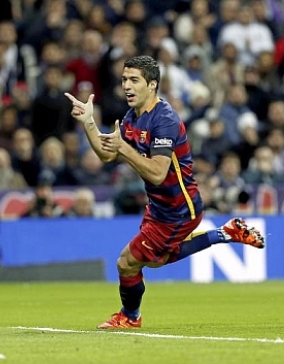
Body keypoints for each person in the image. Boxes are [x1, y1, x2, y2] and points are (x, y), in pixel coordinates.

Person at [64, 55, 265, 329]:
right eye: (124, 79)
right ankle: (224, 233)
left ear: (152, 85)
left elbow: (158, 173)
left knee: (127, 263)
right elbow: (107, 155)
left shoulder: (165, 119)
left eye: (134, 80)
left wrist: (124, 148)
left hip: (179, 209)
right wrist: (89, 123)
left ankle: (130, 316)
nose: (126, 86)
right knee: (153, 261)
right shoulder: (132, 117)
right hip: (160, 206)